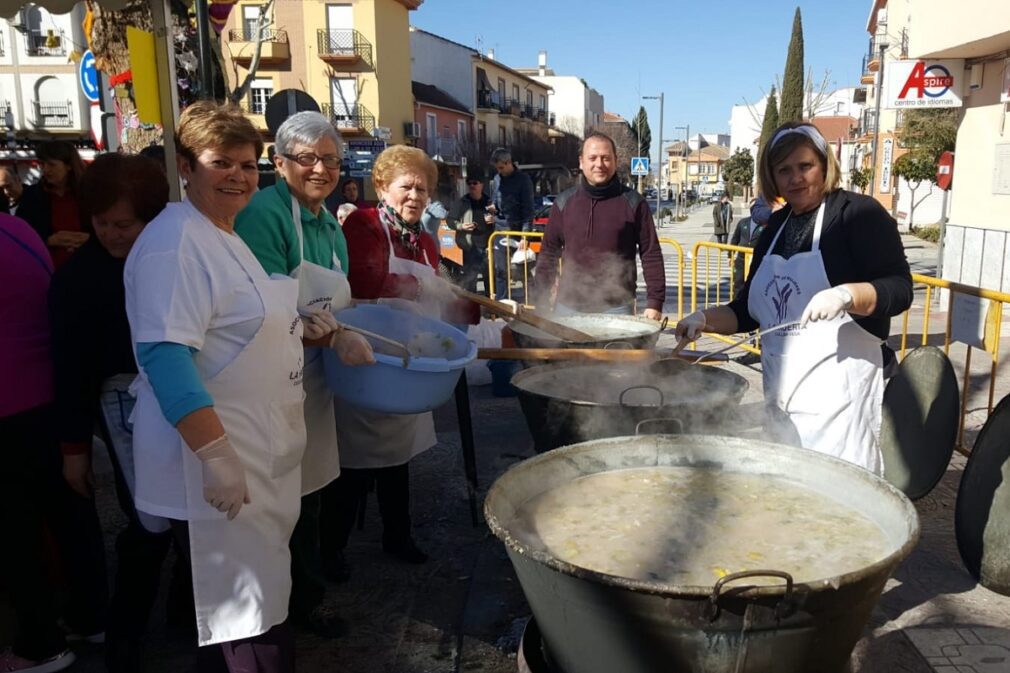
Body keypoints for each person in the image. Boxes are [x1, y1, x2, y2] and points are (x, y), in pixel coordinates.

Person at [125, 101, 304, 672]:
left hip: (254, 449)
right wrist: (215, 454)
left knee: (252, 603)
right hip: (208, 462)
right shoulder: (174, 242)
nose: (239, 176)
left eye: (249, 164)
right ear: (185, 166)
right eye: (221, 162)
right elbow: (164, 352)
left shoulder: (220, 230)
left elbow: (234, 320)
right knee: (236, 615)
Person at [674, 122, 913, 474]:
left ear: (825, 164)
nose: (795, 178)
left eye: (805, 166)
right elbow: (747, 312)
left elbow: (899, 288)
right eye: (783, 170)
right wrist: (703, 319)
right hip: (781, 400)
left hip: (839, 405)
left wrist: (848, 295)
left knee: (837, 493)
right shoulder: (775, 227)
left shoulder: (858, 215)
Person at [235, 110, 373, 636]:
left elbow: (338, 302)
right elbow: (264, 312)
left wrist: (365, 320)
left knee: (310, 493)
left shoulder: (329, 227)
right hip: (270, 380)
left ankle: (304, 597)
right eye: (307, 158)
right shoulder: (264, 214)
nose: (320, 169)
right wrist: (336, 335)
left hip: (314, 382)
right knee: (276, 502)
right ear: (279, 161)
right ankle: (283, 610)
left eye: (331, 160)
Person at [48, 153, 179, 672]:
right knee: (149, 520)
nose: (110, 234)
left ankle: (181, 613)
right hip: (121, 395)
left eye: (123, 223)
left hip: (179, 388)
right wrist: (74, 450)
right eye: (100, 223)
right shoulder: (79, 280)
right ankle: (123, 633)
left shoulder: (172, 252)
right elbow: (71, 370)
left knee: (187, 514)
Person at [320, 145, 476, 576]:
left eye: (423, 189)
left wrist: (474, 311)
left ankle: (397, 534)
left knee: (398, 456)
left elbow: (440, 294)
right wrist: (417, 288)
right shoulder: (364, 225)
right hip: (365, 356)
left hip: (409, 361)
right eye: (406, 186)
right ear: (383, 187)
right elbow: (361, 278)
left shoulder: (424, 240)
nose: (415, 195)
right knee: (353, 461)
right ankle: (331, 549)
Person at [0, 213, 77, 672]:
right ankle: (85, 615)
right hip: (50, 397)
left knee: (15, 532)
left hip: (9, 407)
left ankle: (40, 644)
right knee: (63, 515)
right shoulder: (20, 229)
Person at [532, 132, 666, 320]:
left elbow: (650, 253)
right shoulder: (564, 203)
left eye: (605, 158)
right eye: (592, 158)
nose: (599, 164)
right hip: (568, 306)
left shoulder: (634, 203)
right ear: (581, 162)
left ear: (615, 161)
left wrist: (655, 301)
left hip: (617, 307)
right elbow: (548, 254)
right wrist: (541, 300)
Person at [17, 141, 90, 267]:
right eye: (42, 164)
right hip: (47, 267)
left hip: (87, 266)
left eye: (51, 164)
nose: (45, 169)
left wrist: (88, 239)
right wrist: (49, 240)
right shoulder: (32, 196)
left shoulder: (90, 193)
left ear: (69, 166)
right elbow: (21, 233)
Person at [487, 148, 534, 300]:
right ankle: (502, 304)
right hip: (500, 230)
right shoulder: (497, 179)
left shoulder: (523, 180)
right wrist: (492, 208)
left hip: (517, 230)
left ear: (509, 163)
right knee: (500, 271)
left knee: (523, 269)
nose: (499, 171)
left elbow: (528, 209)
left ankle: (535, 302)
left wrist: (525, 235)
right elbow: (494, 200)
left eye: (501, 167)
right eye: (497, 168)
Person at [446, 172, 493, 294]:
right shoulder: (462, 202)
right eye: (469, 183)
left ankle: (490, 307)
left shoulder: (489, 201)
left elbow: (499, 217)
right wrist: (461, 226)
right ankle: (472, 307)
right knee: (470, 281)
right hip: (470, 247)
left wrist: (493, 219)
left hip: (488, 246)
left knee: (489, 279)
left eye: (475, 183)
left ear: (481, 185)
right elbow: (450, 220)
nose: (472, 185)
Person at [729, 196, 779, 291]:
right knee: (738, 282)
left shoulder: (765, 225)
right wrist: (729, 255)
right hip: (741, 257)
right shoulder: (743, 222)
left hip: (755, 257)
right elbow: (735, 239)